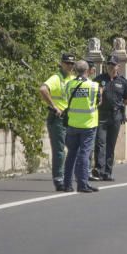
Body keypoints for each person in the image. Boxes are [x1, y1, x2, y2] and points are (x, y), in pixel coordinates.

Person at [38, 52, 76, 191]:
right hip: (58, 118)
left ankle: (69, 177)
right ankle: (59, 179)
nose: (70, 66)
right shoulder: (56, 77)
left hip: (71, 118)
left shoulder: (72, 78)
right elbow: (43, 89)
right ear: (61, 63)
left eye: (72, 64)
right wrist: (54, 106)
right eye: (67, 63)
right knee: (60, 150)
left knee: (73, 148)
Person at [63, 60, 101, 193]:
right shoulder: (94, 86)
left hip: (72, 124)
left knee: (71, 154)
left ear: (74, 70)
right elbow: (98, 102)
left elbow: (66, 98)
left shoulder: (69, 84)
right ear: (87, 70)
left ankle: (67, 184)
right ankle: (82, 184)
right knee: (85, 154)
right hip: (88, 125)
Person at [92, 55, 127, 182]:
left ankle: (108, 172)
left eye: (113, 64)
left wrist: (121, 111)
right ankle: (99, 170)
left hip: (115, 116)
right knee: (100, 143)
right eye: (109, 64)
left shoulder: (123, 82)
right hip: (101, 115)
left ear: (118, 66)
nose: (111, 67)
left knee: (110, 145)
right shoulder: (99, 79)